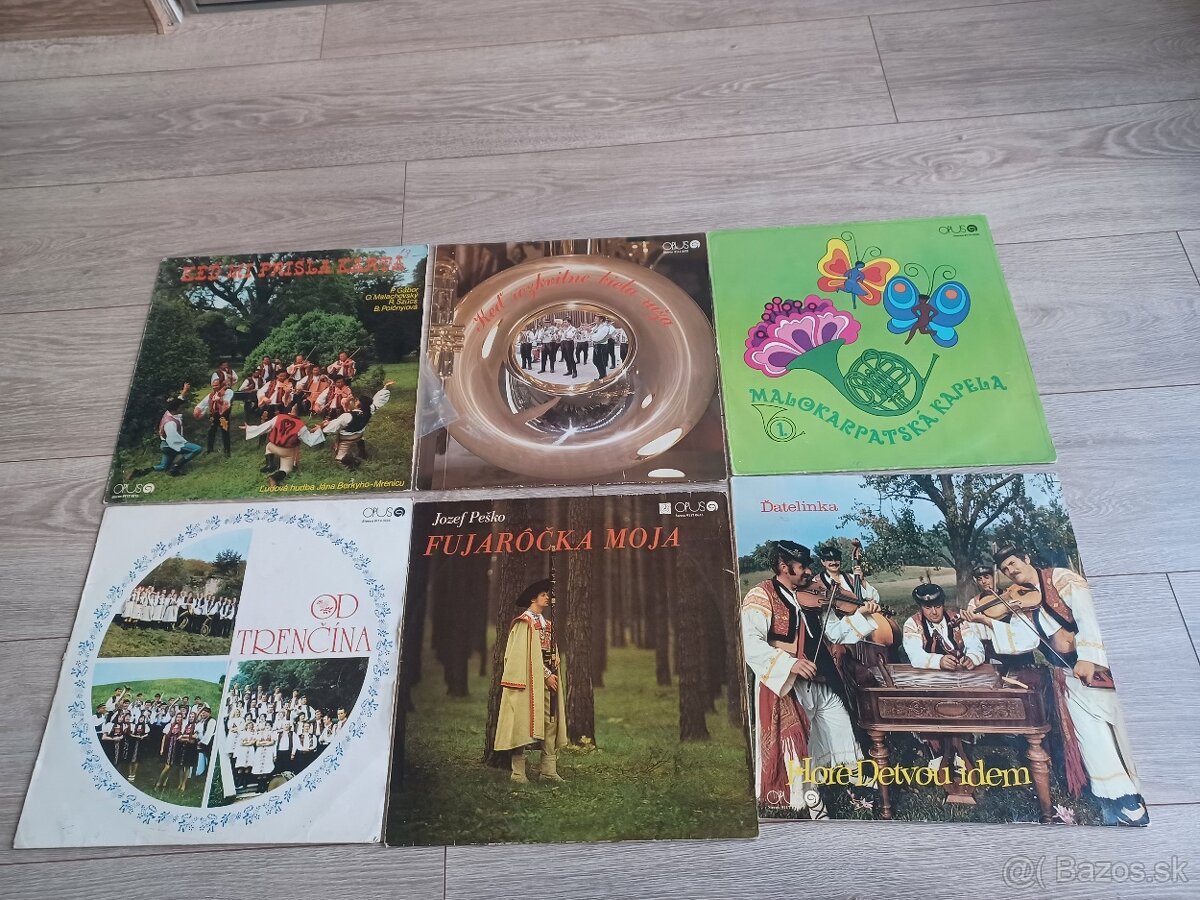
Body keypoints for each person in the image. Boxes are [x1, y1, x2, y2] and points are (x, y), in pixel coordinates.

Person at [961, 544, 1147, 826]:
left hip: (1098, 667)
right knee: (1092, 739)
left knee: (1125, 732)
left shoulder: (1061, 579)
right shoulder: (1022, 601)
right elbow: (1024, 640)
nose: (1011, 571)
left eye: (1013, 563)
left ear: (1026, 559)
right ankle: (1119, 800)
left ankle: (1142, 795)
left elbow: (1088, 614)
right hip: (1067, 675)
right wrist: (986, 621)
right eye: (1006, 569)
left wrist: (1088, 657)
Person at [740, 540, 879, 818]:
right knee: (799, 743)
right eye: (802, 566)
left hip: (820, 678)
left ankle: (857, 787)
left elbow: (835, 633)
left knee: (841, 726)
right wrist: (790, 663)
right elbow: (749, 642)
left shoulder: (813, 595)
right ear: (784, 567)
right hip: (787, 683)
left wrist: (861, 614)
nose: (808, 572)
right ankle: (812, 802)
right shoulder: (761, 595)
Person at [494, 578, 567, 784]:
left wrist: (555, 657)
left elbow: (548, 650)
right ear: (533, 599)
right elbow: (521, 656)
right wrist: (545, 675)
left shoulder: (547, 625)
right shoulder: (523, 623)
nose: (547, 598)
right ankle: (518, 773)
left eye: (548, 595)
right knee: (522, 722)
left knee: (550, 721)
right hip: (528, 682)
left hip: (547, 681)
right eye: (543, 595)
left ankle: (548, 770)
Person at [903, 583, 984, 671]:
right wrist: (939, 661)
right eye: (928, 608)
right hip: (928, 675)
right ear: (921, 607)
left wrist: (972, 658)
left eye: (938, 606)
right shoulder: (913, 624)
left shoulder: (957, 619)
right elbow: (915, 655)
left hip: (960, 672)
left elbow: (975, 646)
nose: (934, 612)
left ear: (943, 605)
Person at [242, 406, 325, 485]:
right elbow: (310, 440)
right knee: (286, 469)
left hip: (273, 447)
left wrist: (249, 428)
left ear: (289, 411)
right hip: (286, 451)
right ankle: (274, 478)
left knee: (268, 447)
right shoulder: (301, 425)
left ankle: (269, 465)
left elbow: (264, 427)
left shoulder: (278, 417)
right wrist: (320, 430)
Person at [319, 382, 394, 469]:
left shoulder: (347, 416)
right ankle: (362, 452)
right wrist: (385, 388)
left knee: (339, 459)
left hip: (347, 439)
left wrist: (323, 426)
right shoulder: (370, 410)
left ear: (359, 404)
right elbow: (378, 400)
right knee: (359, 437)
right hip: (359, 435)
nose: (355, 401)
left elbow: (331, 428)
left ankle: (354, 462)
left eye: (357, 401)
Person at [130, 389, 203, 479]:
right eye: (181, 407)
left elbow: (177, 402)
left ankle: (140, 472)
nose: (182, 409)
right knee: (197, 449)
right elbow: (174, 441)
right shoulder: (170, 423)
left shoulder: (168, 413)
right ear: (176, 409)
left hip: (165, 445)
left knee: (163, 467)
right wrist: (185, 446)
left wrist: (184, 391)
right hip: (170, 445)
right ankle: (175, 468)